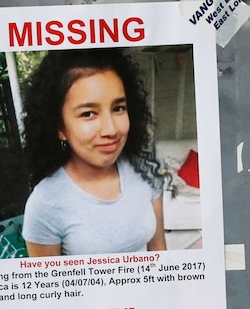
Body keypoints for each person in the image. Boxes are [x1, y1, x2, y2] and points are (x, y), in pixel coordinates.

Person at [21, 48, 167, 256]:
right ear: (60, 128)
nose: (111, 130)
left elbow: (159, 252)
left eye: (118, 108)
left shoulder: (145, 170)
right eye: (88, 114)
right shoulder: (45, 203)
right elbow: (50, 287)